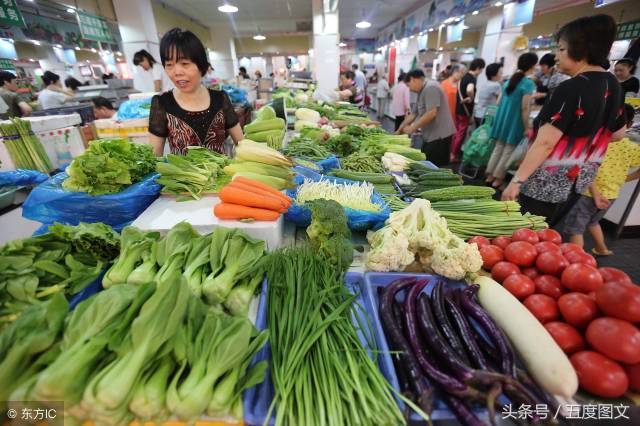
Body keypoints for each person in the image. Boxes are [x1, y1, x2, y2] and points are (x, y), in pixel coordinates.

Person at [501, 14, 626, 227]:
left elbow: (546, 143)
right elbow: (618, 134)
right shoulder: (613, 84)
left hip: (545, 184)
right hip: (578, 182)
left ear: (581, 49)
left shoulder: (571, 88)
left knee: (522, 235)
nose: (556, 55)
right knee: (544, 234)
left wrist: (516, 181)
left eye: (560, 49)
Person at [148, 28, 243, 156]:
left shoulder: (220, 99)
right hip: (181, 176)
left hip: (223, 175)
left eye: (184, 63)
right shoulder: (162, 103)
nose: (177, 72)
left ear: (201, 65)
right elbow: (155, 157)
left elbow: (242, 145)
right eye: (169, 64)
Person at [561, 104, 639, 255]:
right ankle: (602, 248)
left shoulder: (598, 142)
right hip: (611, 193)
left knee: (575, 228)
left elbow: (584, 167)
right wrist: (625, 179)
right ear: (629, 125)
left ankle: (578, 259)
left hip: (589, 192)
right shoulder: (632, 147)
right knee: (593, 221)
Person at [485, 53, 538, 189]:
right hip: (515, 122)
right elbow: (525, 108)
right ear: (532, 65)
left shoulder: (509, 81)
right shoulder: (528, 83)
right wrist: (527, 127)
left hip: (502, 120)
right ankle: (498, 179)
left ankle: (490, 176)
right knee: (508, 150)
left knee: (498, 148)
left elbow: (499, 102)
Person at [397, 69, 456, 167]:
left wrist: (412, 128)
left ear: (413, 80)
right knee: (426, 162)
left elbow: (432, 113)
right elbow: (414, 113)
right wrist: (400, 129)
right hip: (430, 135)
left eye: (408, 85)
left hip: (439, 137)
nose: (409, 89)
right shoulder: (421, 90)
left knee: (434, 167)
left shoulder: (431, 88)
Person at [452, 58, 486, 162]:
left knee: (456, 131)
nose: (480, 73)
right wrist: (471, 97)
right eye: (481, 70)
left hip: (458, 108)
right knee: (461, 133)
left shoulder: (463, 77)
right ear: (478, 68)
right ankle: (453, 155)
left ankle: (451, 152)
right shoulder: (471, 79)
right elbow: (469, 89)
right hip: (465, 111)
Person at [473, 63, 502, 127]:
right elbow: (498, 103)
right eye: (500, 72)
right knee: (485, 135)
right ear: (494, 74)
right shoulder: (496, 85)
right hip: (486, 116)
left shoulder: (485, 83)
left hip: (478, 114)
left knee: (478, 135)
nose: (501, 74)